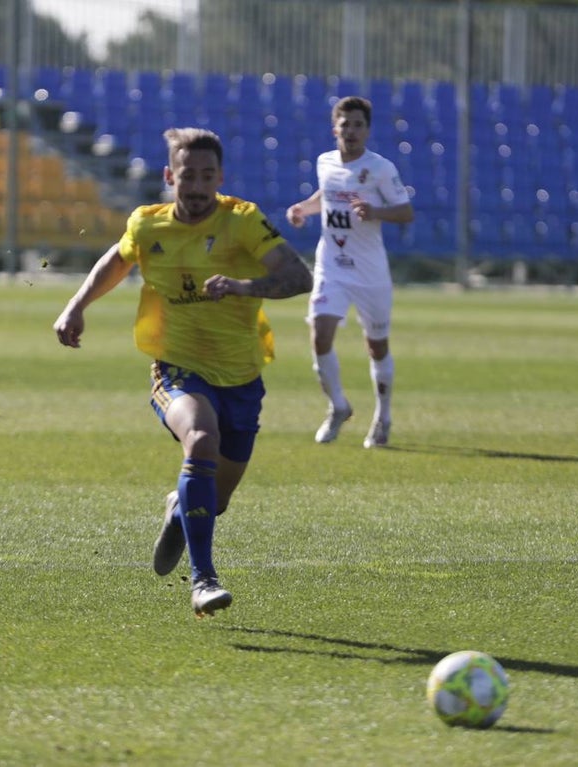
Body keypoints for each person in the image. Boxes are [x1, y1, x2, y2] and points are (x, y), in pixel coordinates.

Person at [53, 127, 313, 617]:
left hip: (240, 378)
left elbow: (299, 276)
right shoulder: (148, 225)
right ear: (171, 176)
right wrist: (76, 305)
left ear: (220, 177)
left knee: (214, 501)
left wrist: (240, 286)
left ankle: (179, 508)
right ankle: (203, 580)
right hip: (176, 367)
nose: (195, 187)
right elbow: (117, 258)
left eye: (206, 176)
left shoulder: (243, 221)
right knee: (199, 437)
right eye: (186, 176)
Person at [287, 95, 414, 448]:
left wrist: (375, 212)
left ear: (367, 130)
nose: (352, 130)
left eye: (359, 125)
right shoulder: (325, 163)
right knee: (320, 333)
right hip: (332, 265)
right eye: (346, 124)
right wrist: (303, 209)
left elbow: (405, 212)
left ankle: (383, 416)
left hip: (370, 271)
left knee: (376, 346)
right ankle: (338, 406)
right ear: (335, 129)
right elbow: (325, 196)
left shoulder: (381, 169)